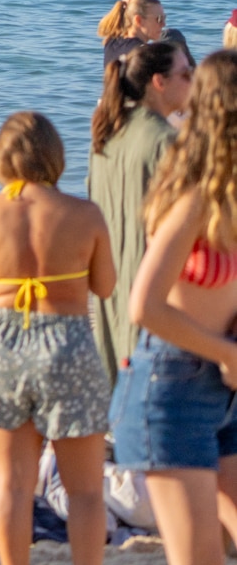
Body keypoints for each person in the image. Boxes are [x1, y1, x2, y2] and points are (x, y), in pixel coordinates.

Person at [0, 112, 114, 565]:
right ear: (54, 155)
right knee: (86, 491)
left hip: (3, 343)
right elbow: (105, 286)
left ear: (3, 158)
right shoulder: (85, 214)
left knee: (12, 483)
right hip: (66, 341)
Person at [109, 49, 237, 565]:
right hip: (171, 386)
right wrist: (224, 352)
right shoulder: (192, 199)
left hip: (224, 386)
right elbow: (145, 304)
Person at [89, 37, 194, 385]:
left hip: (109, 275)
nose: (192, 81)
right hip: (147, 274)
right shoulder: (164, 140)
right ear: (158, 82)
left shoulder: (106, 133)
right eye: (185, 74)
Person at [100, 0, 166, 66]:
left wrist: (129, 6)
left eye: (164, 18)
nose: (163, 24)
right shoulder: (144, 54)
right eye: (159, 19)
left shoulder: (111, 42)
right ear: (139, 20)